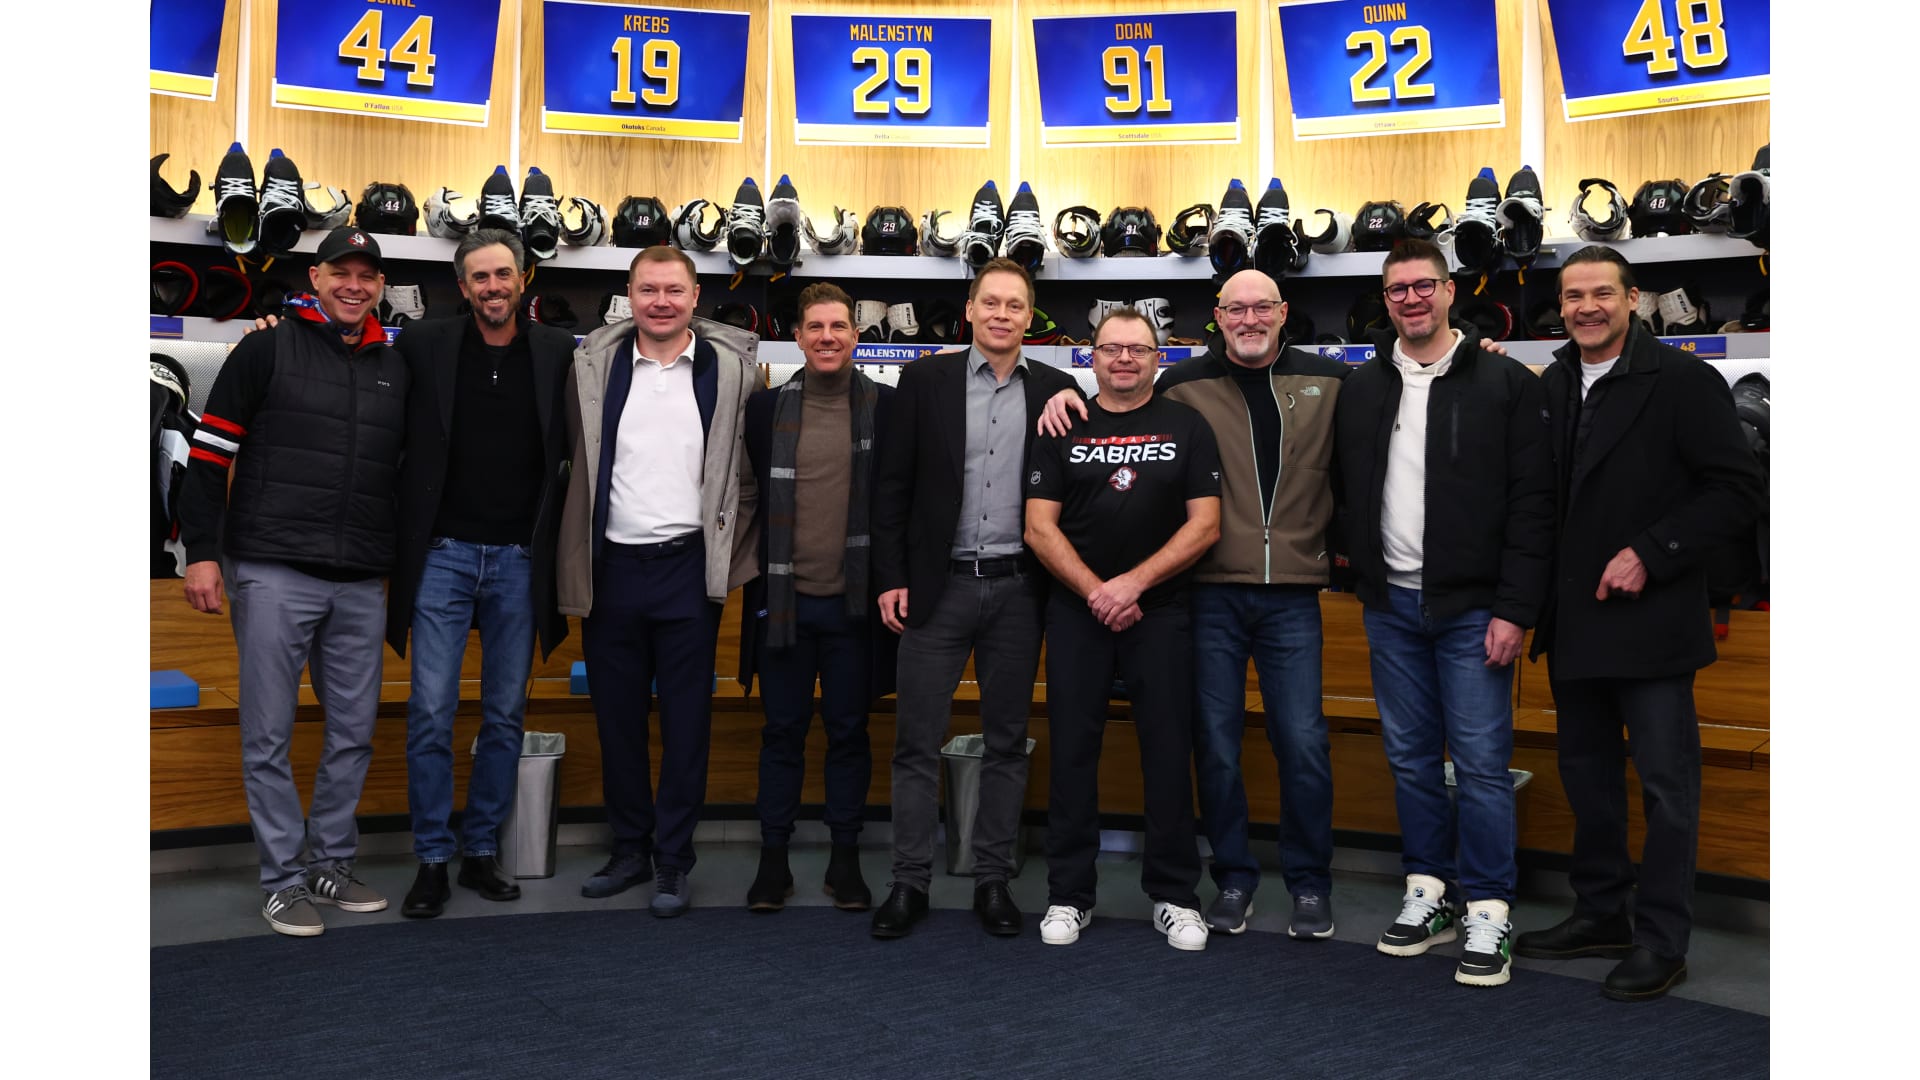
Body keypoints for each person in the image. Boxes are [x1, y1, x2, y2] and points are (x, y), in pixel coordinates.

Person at [1041, 268, 1349, 941]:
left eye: (1261, 307)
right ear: (1217, 316)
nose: (1249, 319)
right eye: (1235, 308)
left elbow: (1392, 402)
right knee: (1211, 745)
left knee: (1301, 742)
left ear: (1283, 312)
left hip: (1282, 592)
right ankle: (1228, 880)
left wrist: (1476, 346)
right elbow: (1109, 404)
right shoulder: (1183, 384)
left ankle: (1303, 884)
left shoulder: (1331, 380)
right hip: (1203, 595)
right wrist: (1064, 390)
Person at [1515, 245, 1763, 1001]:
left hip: (1652, 622)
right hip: (1576, 622)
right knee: (1588, 780)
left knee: (1666, 789)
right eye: (1572, 296)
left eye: (1601, 293)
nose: (1586, 307)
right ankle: (1601, 915)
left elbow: (1737, 490)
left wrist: (1652, 553)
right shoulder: (1555, 382)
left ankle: (1661, 939)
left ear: (1631, 299)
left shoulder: (1683, 381)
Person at [1333, 238, 1554, 986]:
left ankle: (1489, 905)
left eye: (1424, 285)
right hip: (1391, 605)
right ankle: (1428, 889)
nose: (1412, 299)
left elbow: (1533, 504)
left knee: (1483, 765)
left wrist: (1515, 608)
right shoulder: (1362, 386)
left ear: (1451, 290)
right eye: (1398, 289)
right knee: (1411, 758)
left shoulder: (1503, 381)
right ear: (1385, 300)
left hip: (1475, 610)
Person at [176, 225, 407, 937]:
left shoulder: (396, 364)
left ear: (380, 287)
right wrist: (202, 553)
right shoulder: (266, 347)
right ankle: (282, 879)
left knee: (353, 733)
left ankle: (331, 864)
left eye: (366, 276)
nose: (354, 286)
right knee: (268, 735)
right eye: (341, 272)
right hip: (272, 569)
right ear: (316, 278)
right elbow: (208, 457)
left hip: (361, 578)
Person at [870, 257, 1079, 939]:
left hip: (1019, 591)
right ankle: (909, 882)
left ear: (1029, 316)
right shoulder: (922, 381)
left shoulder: (1056, 388)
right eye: (990, 302)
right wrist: (891, 576)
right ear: (969, 309)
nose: (1001, 315)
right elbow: (891, 488)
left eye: (1014, 305)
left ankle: (994, 880)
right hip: (938, 589)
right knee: (915, 742)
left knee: (1007, 743)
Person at [555, 245, 760, 917]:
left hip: (687, 570)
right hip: (611, 568)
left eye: (674, 290)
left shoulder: (732, 370)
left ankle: (673, 859)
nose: (662, 302)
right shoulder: (595, 364)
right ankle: (628, 848)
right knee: (617, 722)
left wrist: (727, 557)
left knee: (686, 724)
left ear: (696, 297)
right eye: (649, 290)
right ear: (630, 295)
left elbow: (748, 478)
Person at [385, 229, 576, 918]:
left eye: (503, 274)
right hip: (442, 554)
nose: (493, 287)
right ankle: (433, 857)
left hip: (520, 561)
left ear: (524, 279)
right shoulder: (423, 344)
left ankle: (482, 850)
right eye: (480, 278)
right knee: (430, 713)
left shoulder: (559, 351)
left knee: (504, 715)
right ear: (462, 287)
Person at [1024, 307, 1222, 952]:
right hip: (1076, 612)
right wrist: (1097, 592)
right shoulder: (1063, 423)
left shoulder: (1187, 426)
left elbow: (1205, 525)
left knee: (1167, 751)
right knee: (1072, 752)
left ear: (1157, 357)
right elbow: (1038, 528)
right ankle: (1068, 895)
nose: (1125, 359)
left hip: (1159, 612)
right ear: (1093, 356)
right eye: (1112, 348)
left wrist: (1131, 585)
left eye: (1138, 349)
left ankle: (1174, 896)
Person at [737, 282, 895, 913]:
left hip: (855, 606)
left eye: (839, 326)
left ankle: (844, 859)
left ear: (856, 334)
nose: (828, 337)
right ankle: (772, 859)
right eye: (816, 327)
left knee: (850, 733)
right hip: (784, 603)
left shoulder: (887, 407)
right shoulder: (763, 410)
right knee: (781, 732)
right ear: (798, 337)